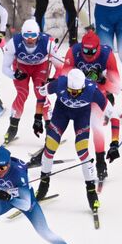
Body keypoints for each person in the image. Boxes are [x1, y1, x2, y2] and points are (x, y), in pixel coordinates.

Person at [36, 68, 106, 215]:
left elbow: (112, 113)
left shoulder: (92, 90)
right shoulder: (60, 83)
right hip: (61, 114)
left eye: (77, 92)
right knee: (50, 147)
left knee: (82, 151)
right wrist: (38, 117)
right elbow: (41, 92)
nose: (73, 95)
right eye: (71, 91)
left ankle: (91, 191)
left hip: (82, 116)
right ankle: (43, 184)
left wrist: (114, 143)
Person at [57, 30, 122, 182]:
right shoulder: (74, 51)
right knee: (62, 115)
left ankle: (101, 162)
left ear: (98, 47)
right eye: (85, 50)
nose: (88, 54)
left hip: (96, 93)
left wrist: (102, 81)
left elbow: (117, 88)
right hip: (75, 92)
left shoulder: (107, 54)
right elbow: (62, 77)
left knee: (96, 125)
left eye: (92, 51)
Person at [0, 19, 54, 144]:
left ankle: (50, 130)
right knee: (22, 94)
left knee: (41, 93)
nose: (30, 39)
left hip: (41, 67)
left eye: (33, 36)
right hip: (21, 67)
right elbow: (4, 68)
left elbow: (60, 65)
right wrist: (14, 75)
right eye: (26, 36)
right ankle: (13, 127)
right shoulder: (13, 43)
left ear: (38, 35)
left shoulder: (48, 42)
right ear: (22, 35)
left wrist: (55, 78)